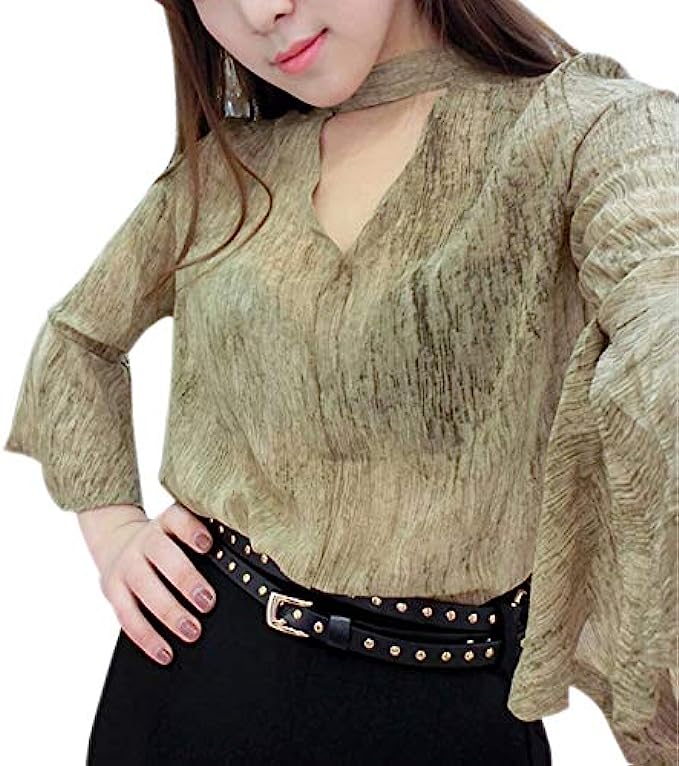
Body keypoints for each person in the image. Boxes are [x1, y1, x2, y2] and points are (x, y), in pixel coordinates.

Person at [4, 1, 677, 764]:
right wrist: (115, 534)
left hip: (449, 716)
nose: (260, 10)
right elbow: (76, 340)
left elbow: (659, 295)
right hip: (191, 674)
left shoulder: (586, 131)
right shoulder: (228, 169)